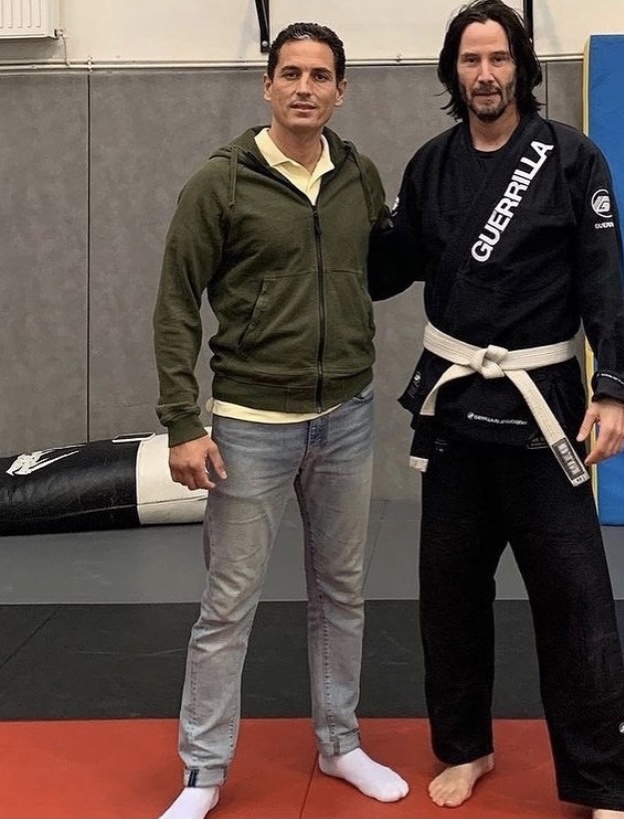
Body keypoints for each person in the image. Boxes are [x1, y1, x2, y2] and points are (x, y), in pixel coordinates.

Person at [368, 1, 624, 817]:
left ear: (521, 65)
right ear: (452, 72)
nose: (484, 75)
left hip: (544, 409)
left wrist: (612, 387)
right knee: (448, 593)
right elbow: (383, 269)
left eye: (497, 58)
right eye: (470, 60)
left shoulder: (571, 159)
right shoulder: (431, 165)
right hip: (455, 409)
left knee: (575, 597)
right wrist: (336, 208)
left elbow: (602, 278)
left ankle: (599, 780)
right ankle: (465, 746)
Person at [152, 22, 409, 819]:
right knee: (227, 604)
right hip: (248, 423)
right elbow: (175, 303)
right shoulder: (221, 182)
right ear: (267, 85)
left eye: (320, 75)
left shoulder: (358, 174)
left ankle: (339, 741)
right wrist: (181, 421)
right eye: (290, 73)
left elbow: (376, 273)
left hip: (346, 415)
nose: (304, 87)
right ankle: (202, 772)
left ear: (341, 91)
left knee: (342, 591)